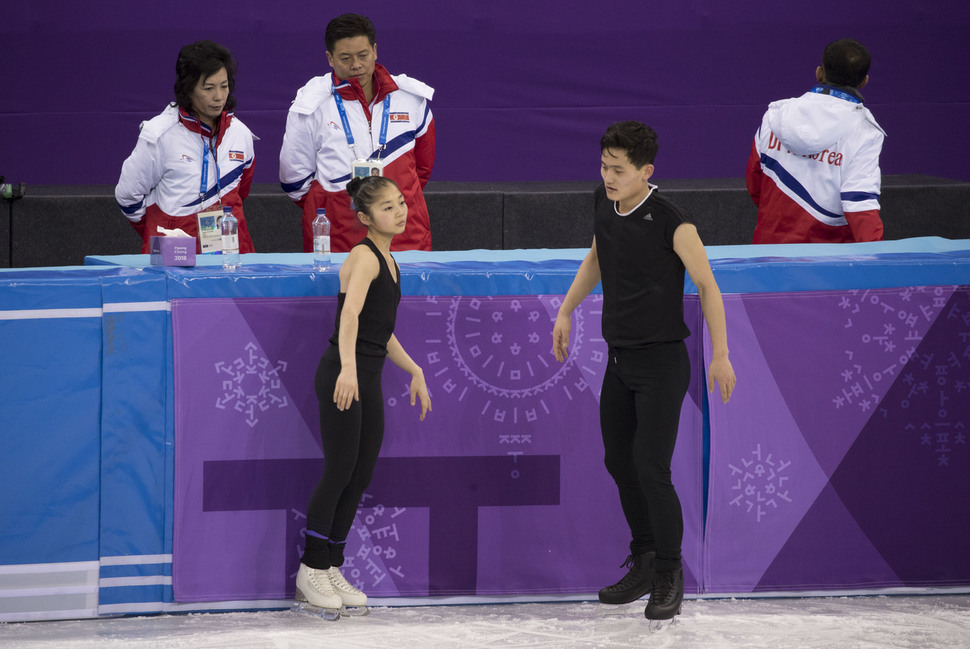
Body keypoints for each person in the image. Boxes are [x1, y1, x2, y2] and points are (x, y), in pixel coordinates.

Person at [552, 122, 736, 622]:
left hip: (660, 363)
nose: (608, 177)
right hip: (619, 359)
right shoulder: (602, 201)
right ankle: (646, 554)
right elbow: (598, 256)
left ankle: (670, 573)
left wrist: (720, 354)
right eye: (604, 167)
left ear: (645, 171)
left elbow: (708, 285)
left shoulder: (672, 220)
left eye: (618, 170)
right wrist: (567, 309)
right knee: (620, 462)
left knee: (651, 467)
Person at [296, 175, 431, 615]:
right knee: (339, 470)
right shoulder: (364, 256)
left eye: (400, 203)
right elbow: (350, 314)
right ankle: (311, 569)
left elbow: (381, 332)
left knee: (360, 474)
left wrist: (414, 369)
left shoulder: (392, 263)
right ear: (365, 218)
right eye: (388, 207)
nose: (400, 211)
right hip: (343, 374)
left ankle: (332, 562)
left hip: (365, 376)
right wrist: (350, 371)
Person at [280, 13, 435, 254]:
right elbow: (295, 181)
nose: (356, 65)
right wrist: (336, 204)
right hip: (340, 237)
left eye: (363, 55)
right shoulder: (311, 105)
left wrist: (390, 203)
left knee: (408, 292)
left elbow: (422, 169)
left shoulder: (410, 99)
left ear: (375, 50)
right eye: (345, 58)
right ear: (330, 58)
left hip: (405, 236)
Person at [116, 40, 256, 253]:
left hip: (231, 254)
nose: (218, 96)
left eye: (224, 86)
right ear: (188, 89)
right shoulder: (159, 135)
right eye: (208, 88)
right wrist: (164, 228)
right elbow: (128, 196)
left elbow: (242, 191)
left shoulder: (240, 134)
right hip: (174, 256)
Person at [746, 38, 886, 244]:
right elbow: (859, 205)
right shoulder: (865, 131)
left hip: (768, 250)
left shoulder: (777, 115)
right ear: (864, 81)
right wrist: (879, 264)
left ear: (819, 72)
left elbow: (755, 181)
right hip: (829, 263)